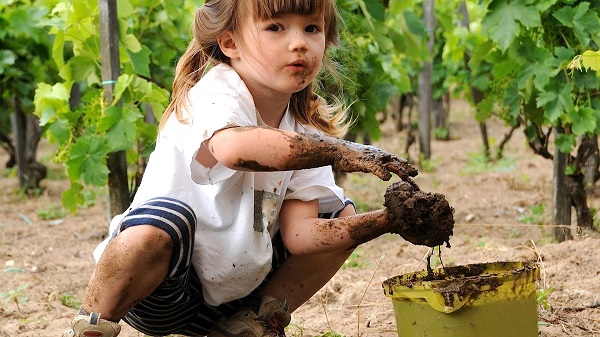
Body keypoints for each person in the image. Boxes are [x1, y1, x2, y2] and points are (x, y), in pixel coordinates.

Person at [62, 1, 422, 336]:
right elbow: (235, 148)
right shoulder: (215, 94)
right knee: (161, 224)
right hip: (159, 291)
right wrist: (341, 151)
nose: (299, 43)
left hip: (237, 292)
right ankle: (94, 323)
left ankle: (255, 322)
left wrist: (388, 220)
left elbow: (302, 236)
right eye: (276, 27)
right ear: (230, 43)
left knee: (337, 210)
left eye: (312, 28)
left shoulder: (304, 129)